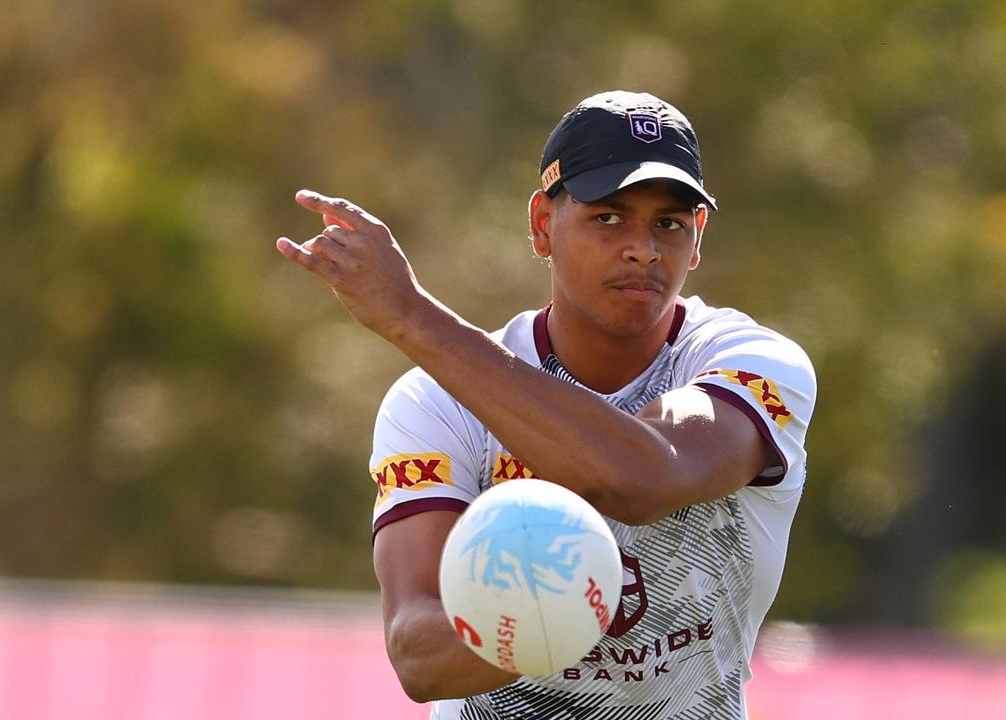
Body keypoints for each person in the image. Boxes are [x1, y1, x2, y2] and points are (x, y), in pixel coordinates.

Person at [276, 90, 817, 719]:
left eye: (668, 223)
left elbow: (644, 478)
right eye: (608, 217)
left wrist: (411, 318)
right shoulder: (434, 402)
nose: (643, 248)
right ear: (541, 225)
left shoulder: (752, 361)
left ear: (696, 239)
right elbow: (418, 654)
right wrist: (540, 619)